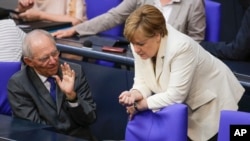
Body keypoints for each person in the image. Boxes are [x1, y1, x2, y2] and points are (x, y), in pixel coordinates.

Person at [118, 5, 244, 141]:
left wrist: (141, 105)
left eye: (140, 44)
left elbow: (176, 95)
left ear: (157, 35)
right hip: (189, 107)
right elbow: (143, 79)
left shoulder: (181, 48)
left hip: (215, 101)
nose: (136, 49)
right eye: (133, 44)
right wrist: (135, 94)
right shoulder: (138, 39)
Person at [7, 29, 97, 141]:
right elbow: (34, 128)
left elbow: (90, 118)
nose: (53, 61)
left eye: (54, 53)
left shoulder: (74, 71)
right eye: (45, 58)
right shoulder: (19, 84)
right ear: (29, 62)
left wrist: (72, 97)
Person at [52, 0, 205, 43]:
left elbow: (196, 40)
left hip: (174, 64)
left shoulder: (194, 3)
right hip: (140, 58)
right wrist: (77, 29)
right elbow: (113, 17)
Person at [15, 0, 87, 26]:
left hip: (68, 38)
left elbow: (75, 21)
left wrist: (40, 16)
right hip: (38, 34)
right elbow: (17, 14)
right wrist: (22, 9)